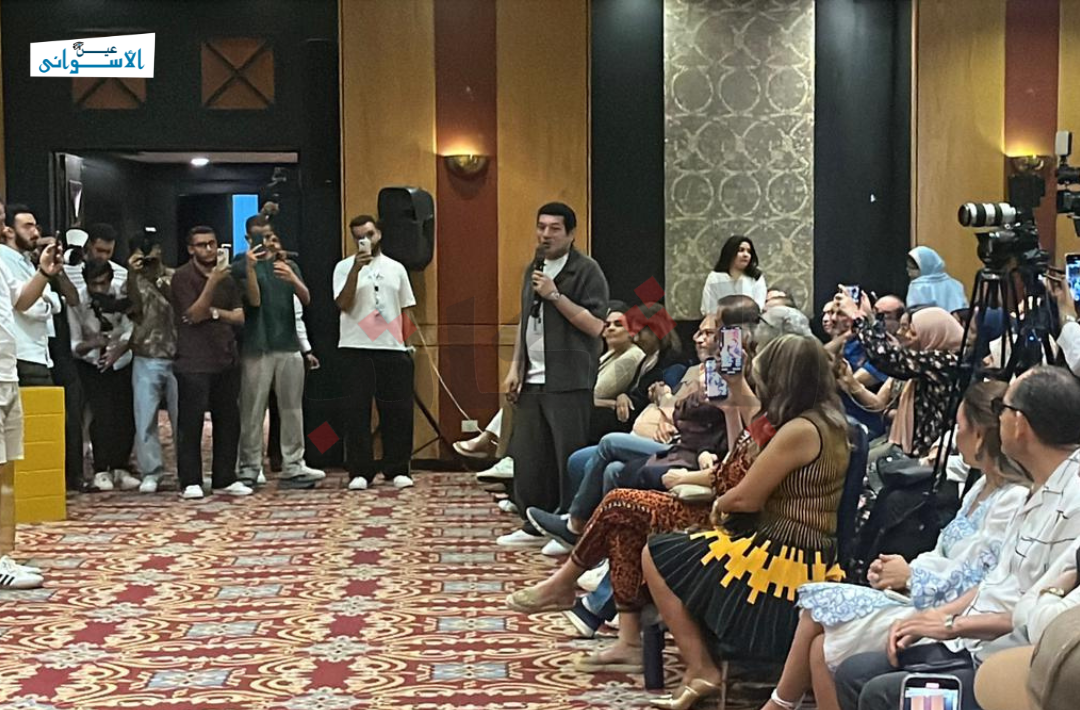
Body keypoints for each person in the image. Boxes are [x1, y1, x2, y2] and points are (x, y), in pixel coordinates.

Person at [763, 381, 1028, 710]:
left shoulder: (1012, 499)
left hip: (950, 615)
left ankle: (779, 705)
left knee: (818, 623)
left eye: (959, 427)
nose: (954, 437)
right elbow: (942, 553)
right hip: (926, 596)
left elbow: (978, 578)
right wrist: (901, 570)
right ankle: (781, 704)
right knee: (817, 626)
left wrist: (911, 577)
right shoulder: (981, 488)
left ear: (978, 436)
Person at [833, 366, 1080, 710]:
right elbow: (996, 581)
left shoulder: (1070, 501)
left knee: (885, 692)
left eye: (1002, 409)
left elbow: (1033, 615)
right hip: (975, 641)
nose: (997, 420)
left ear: (1019, 424)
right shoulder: (1037, 486)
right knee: (856, 672)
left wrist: (952, 623)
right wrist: (939, 618)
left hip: (1017, 664)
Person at [637, 335, 851, 709]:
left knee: (657, 553)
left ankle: (701, 668)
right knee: (688, 545)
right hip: (809, 553)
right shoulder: (830, 421)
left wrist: (720, 504)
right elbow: (758, 435)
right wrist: (736, 388)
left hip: (780, 563)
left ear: (782, 380)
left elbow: (745, 498)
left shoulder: (800, 430)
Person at [496, 203, 609, 547]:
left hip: (569, 379)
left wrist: (555, 295)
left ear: (571, 233)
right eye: (541, 227)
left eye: (554, 229)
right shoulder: (534, 267)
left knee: (566, 458)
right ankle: (533, 522)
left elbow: (596, 325)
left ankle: (568, 526)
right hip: (532, 377)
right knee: (530, 456)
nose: (545, 235)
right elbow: (526, 322)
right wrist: (515, 367)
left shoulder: (586, 270)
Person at [456, 304, 644, 470]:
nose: (610, 329)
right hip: (579, 404)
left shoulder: (631, 356)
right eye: (607, 324)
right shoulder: (609, 354)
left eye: (618, 325)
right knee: (522, 395)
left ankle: (500, 452)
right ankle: (502, 456)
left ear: (632, 330)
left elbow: (595, 393)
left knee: (530, 398)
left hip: (588, 412)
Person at [232, 215, 324, 488]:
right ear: (248, 238)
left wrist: (292, 278)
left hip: (288, 344)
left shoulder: (288, 265)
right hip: (257, 346)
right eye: (259, 236)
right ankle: (249, 467)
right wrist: (251, 269)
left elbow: (306, 298)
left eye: (270, 236)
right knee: (252, 410)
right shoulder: (240, 265)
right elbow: (254, 301)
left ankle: (294, 464)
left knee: (292, 408)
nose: (266, 242)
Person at [333, 214, 417, 491]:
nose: (365, 240)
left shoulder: (397, 268)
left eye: (369, 234)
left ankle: (397, 468)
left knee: (397, 412)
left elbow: (406, 309)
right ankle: (360, 470)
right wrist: (356, 271)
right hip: (354, 348)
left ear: (379, 234)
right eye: (359, 237)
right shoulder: (343, 267)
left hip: (391, 348)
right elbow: (343, 304)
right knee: (356, 412)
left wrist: (405, 344)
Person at [170, 226, 251, 499]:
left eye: (212, 243)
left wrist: (215, 313)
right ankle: (190, 480)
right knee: (191, 423)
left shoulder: (227, 276)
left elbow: (240, 316)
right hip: (193, 360)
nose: (208, 249)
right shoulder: (182, 277)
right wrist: (212, 282)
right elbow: (193, 315)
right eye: (202, 245)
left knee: (228, 420)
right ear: (190, 249)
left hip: (225, 356)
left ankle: (225, 477)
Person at [0, 240, 64, 589]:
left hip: (8, 374)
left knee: (6, 473)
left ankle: (3, 556)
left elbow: (21, 300)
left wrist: (43, 273)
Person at [837, 298, 963, 460]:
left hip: (926, 452)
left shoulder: (945, 362)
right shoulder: (924, 363)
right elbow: (880, 404)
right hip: (905, 445)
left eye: (912, 332)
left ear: (933, 334)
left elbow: (885, 357)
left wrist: (860, 318)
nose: (903, 334)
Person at [67, 259, 139, 492]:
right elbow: (74, 344)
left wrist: (119, 349)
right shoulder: (77, 301)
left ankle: (121, 467)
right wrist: (93, 344)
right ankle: (101, 469)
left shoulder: (121, 294)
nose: (99, 289)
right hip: (91, 364)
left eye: (103, 283)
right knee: (102, 415)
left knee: (126, 415)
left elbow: (131, 329)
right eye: (94, 284)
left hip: (122, 361)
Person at [125, 233, 177, 494]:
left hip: (177, 354)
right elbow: (133, 310)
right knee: (145, 418)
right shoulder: (130, 279)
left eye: (152, 249)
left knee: (182, 419)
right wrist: (132, 275)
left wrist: (157, 277)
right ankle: (151, 472)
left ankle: (187, 470)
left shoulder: (174, 276)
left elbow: (178, 302)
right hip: (145, 354)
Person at [0, 206, 62, 385]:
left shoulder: (24, 262)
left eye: (35, 226)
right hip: (21, 354)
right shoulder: (4, 257)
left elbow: (24, 300)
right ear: (10, 231)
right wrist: (45, 302)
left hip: (26, 356)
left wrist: (44, 273)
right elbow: (34, 308)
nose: (35, 233)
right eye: (27, 226)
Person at [701, 235, 768, 314]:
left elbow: (759, 306)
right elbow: (709, 308)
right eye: (741, 250)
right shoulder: (715, 277)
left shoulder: (756, 277)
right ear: (730, 252)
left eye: (749, 252)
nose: (745, 255)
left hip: (750, 320)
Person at [906, 246, 968, 314]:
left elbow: (914, 314)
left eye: (911, 268)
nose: (907, 270)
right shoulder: (956, 285)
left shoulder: (917, 286)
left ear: (924, 267)